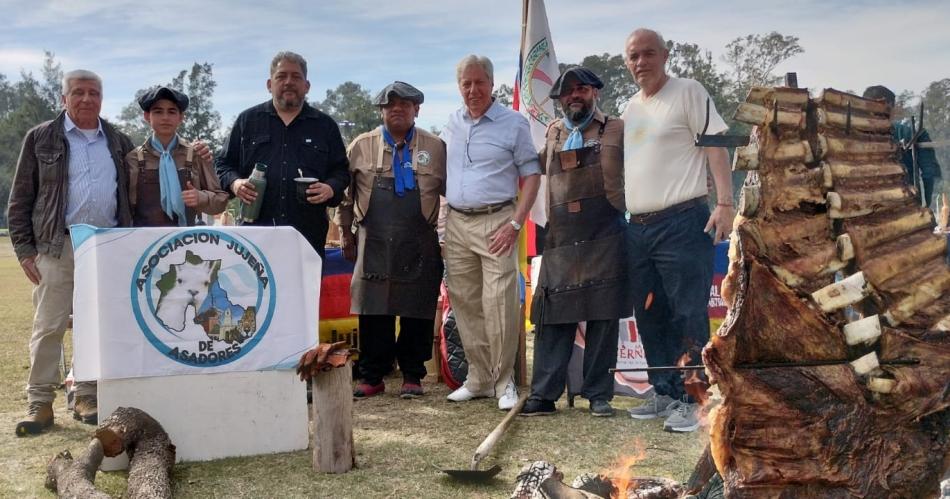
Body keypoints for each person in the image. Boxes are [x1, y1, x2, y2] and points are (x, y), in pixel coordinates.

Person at [7, 70, 134, 433]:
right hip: (55, 245)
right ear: (63, 99)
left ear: (102, 98)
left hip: (105, 246)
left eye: (94, 93)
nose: (86, 99)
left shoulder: (118, 141)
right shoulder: (41, 138)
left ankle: (86, 395)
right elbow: (20, 199)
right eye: (77, 92)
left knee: (96, 326)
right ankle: (40, 405)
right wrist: (24, 250)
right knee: (49, 326)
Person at [621, 29, 734, 432]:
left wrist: (725, 203)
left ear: (665, 56)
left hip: (683, 221)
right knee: (650, 313)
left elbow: (715, 144)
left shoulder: (689, 91)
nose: (640, 62)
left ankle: (695, 399)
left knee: (687, 312)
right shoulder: (630, 107)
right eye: (633, 56)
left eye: (648, 54)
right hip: (639, 228)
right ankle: (665, 390)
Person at [520, 67, 629, 418]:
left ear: (593, 92)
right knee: (553, 317)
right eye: (567, 93)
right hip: (561, 234)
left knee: (603, 317)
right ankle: (543, 395)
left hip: (606, 231)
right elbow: (531, 168)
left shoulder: (617, 128)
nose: (574, 96)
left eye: (580, 89)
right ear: (560, 100)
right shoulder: (553, 133)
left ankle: (599, 395)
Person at [441, 55, 541, 410]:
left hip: (497, 220)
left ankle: (504, 381)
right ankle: (479, 378)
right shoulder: (451, 123)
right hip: (456, 223)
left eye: (479, 82)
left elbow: (531, 175)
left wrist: (516, 223)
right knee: (465, 303)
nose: (473, 90)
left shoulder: (513, 123)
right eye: (466, 84)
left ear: (492, 82)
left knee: (498, 303)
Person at [336, 82, 446, 399]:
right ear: (381, 110)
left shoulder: (436, 147)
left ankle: (413, 375)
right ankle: (373, 376)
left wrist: (447, 235)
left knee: (417, 310)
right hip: (373, 240)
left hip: (420, 240)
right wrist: (345, 232)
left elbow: (453, 194)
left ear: (417, 110)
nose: (396, 108)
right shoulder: (360, 145)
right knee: (374, 311)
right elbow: (345, 197)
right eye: (389, 104)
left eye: (404, 104)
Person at [216, 51, 350, 257]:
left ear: (307, 86)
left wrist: (330, 188)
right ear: (270, 84)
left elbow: (341, 170)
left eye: (296, 77)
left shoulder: (325, 126)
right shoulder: (247, 122)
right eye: (281, 76)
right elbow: (223, 165)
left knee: (304, 290)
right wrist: (235, 183)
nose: (289, 82)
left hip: (307, 238)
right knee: (258, 290)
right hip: (255, 236)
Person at [126, 86, 227, 227]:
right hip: (144, 242)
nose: (165, 117)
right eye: (158, 111)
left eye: (172, 111)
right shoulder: (133, 159)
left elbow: (221, 201)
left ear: (181, 117)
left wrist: (201, 198)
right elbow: (124, 209)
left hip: (186, 241)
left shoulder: (196, 155)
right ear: (147, 116)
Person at [862, 85, 943, 209]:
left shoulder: (852, 136)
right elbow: (929, 173)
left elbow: (929, 172)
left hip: (868, 206)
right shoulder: (913, 131)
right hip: (904, 205)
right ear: (891, 108)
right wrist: (924, 206)